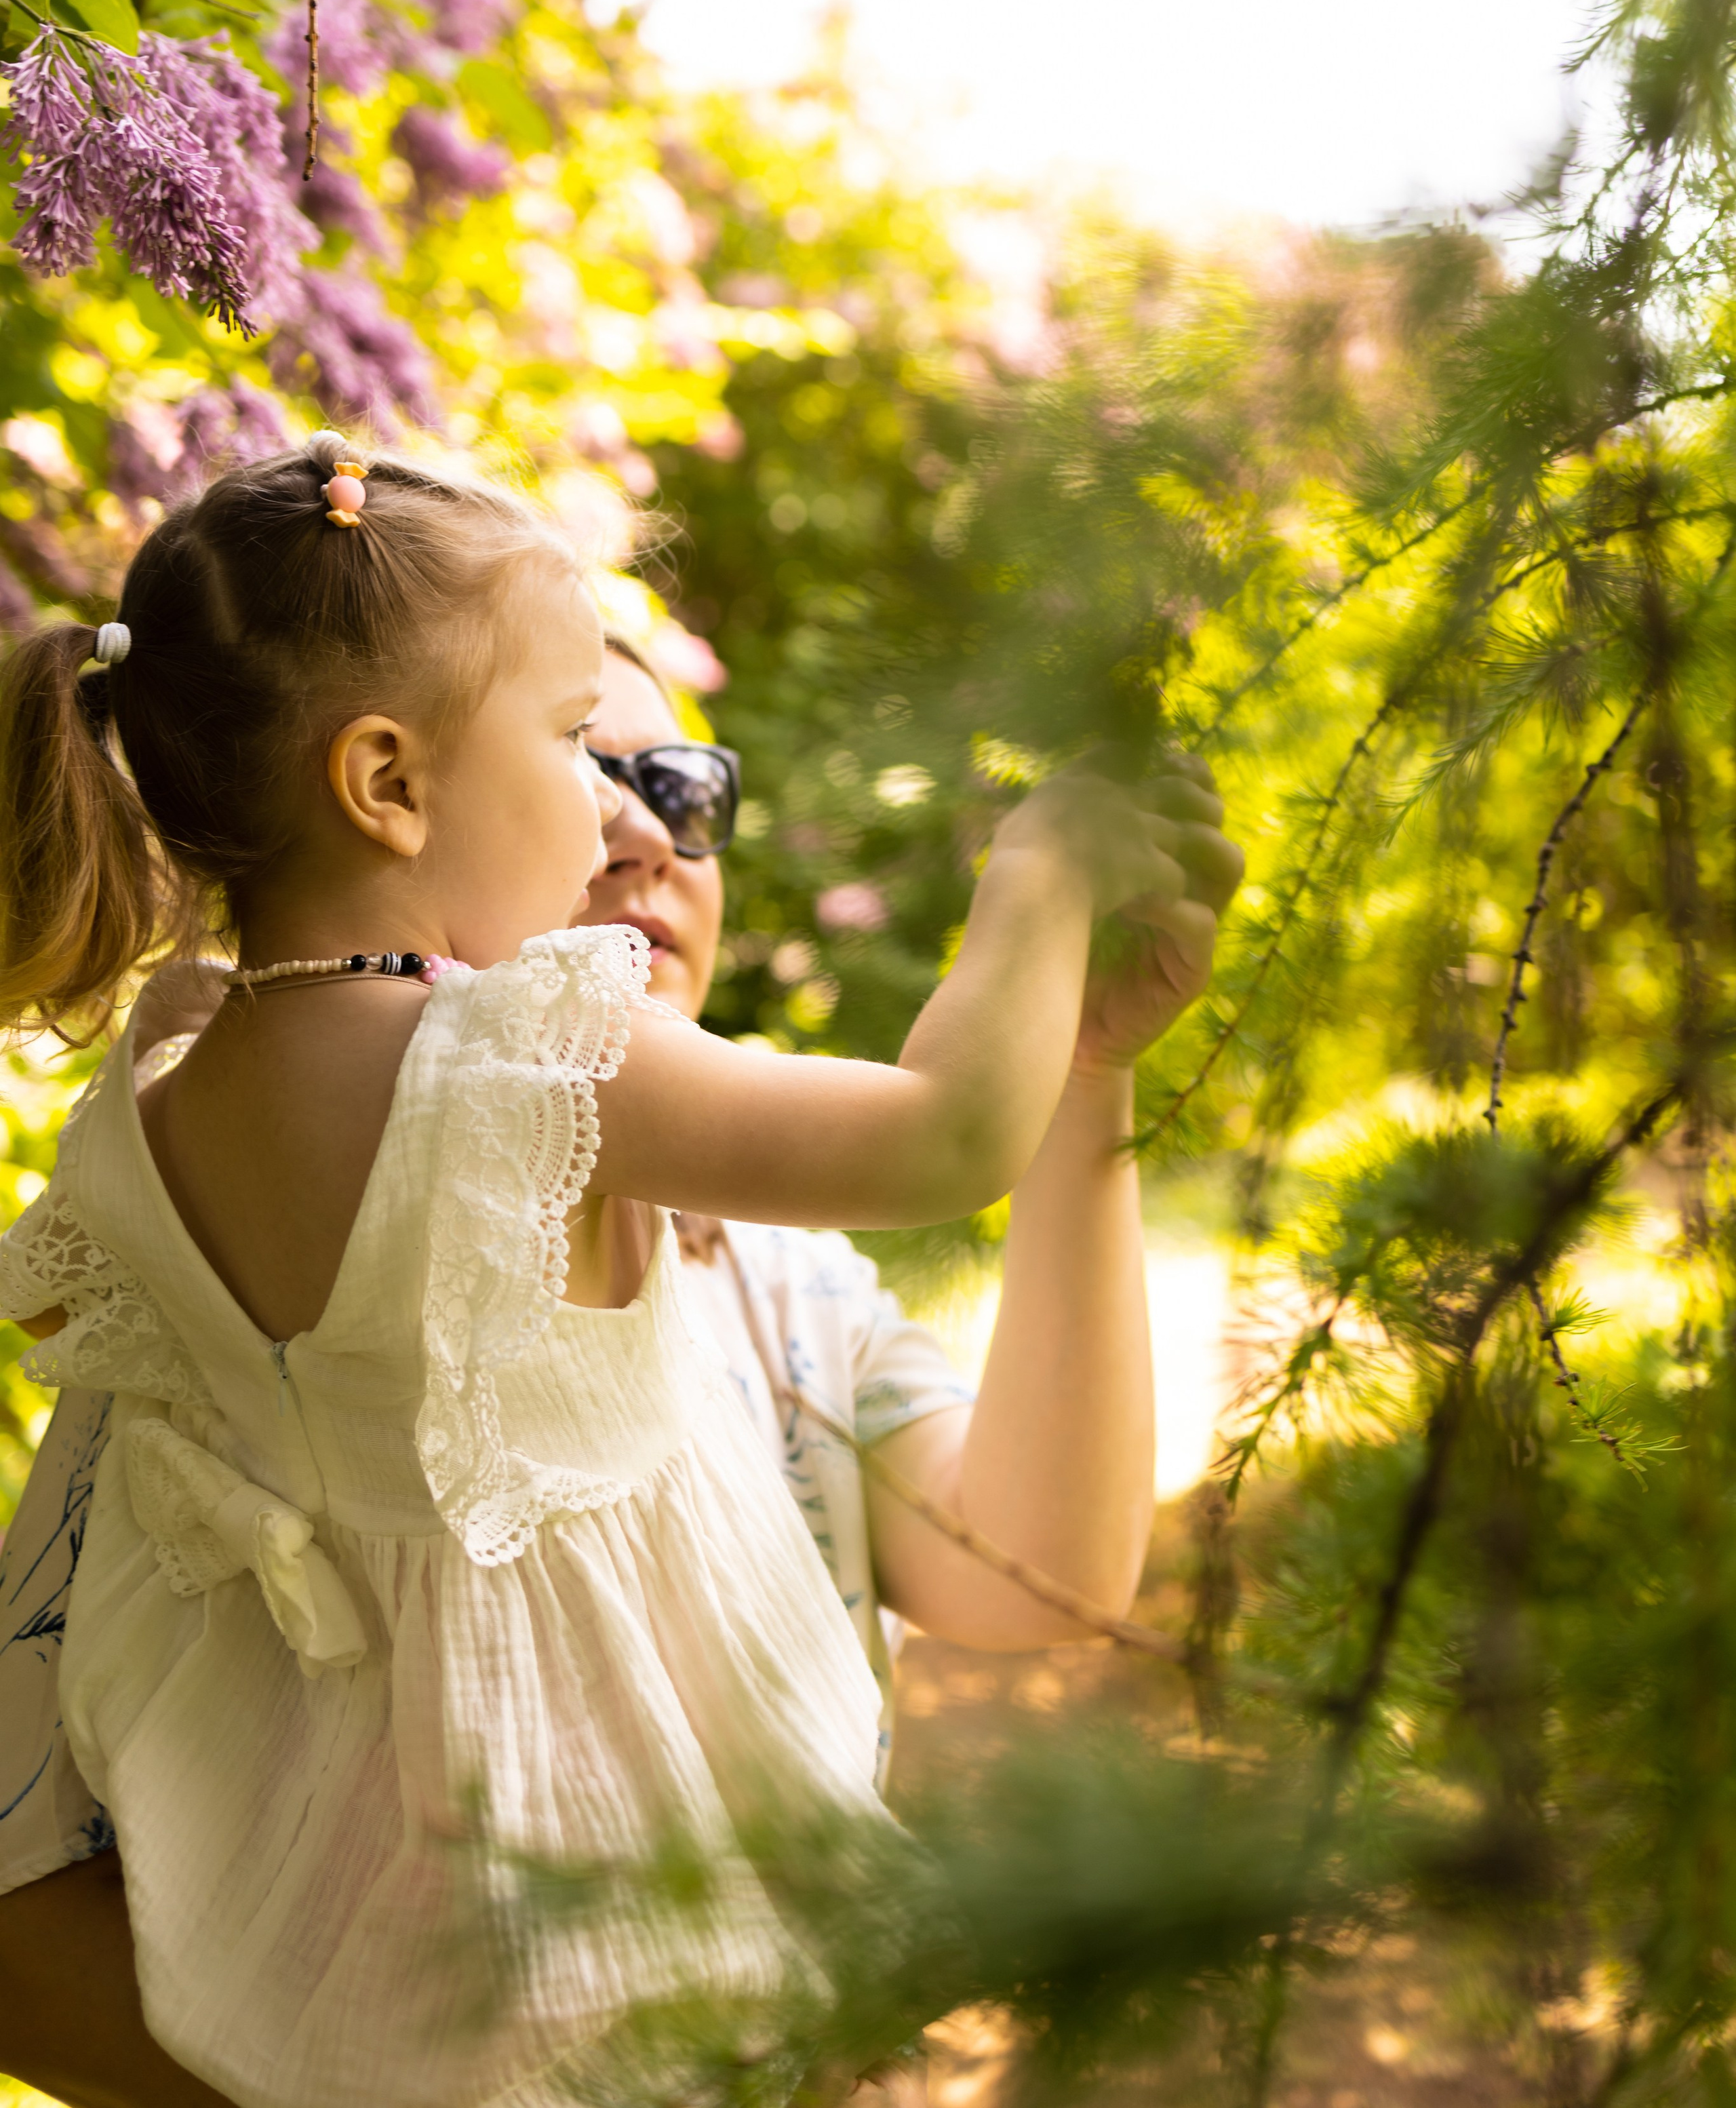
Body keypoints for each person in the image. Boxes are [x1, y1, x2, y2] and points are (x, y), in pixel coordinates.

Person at [0, 433, 1238, 2108]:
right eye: (582, 744)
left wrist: (1089, 1066)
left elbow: (1040, 1573)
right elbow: (942, 1136)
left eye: (674, 787)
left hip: (336, 1943)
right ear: (386, 784)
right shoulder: (519, 1067)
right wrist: (1034, 884)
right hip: (595, 1918)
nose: (615, 822)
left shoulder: (166, 1097)